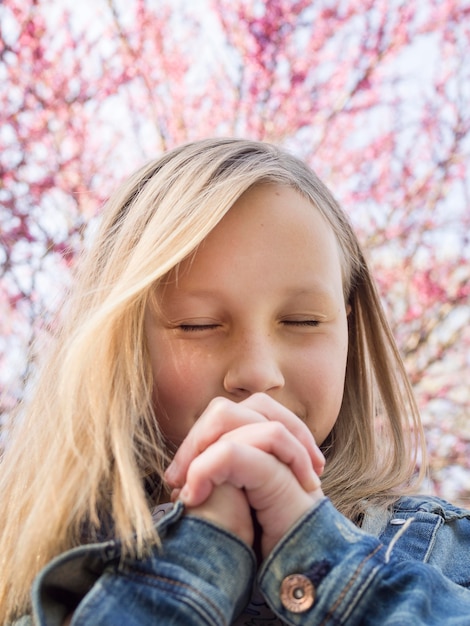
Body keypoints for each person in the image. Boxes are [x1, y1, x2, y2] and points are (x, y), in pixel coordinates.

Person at [1, 138, 470, 626]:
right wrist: (203, 546)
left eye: (304, 321)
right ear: (121, 345)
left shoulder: (442, 552)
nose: (258, 372)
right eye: (198, 325)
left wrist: (315, 548)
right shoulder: (33, 575)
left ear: (348, 327)